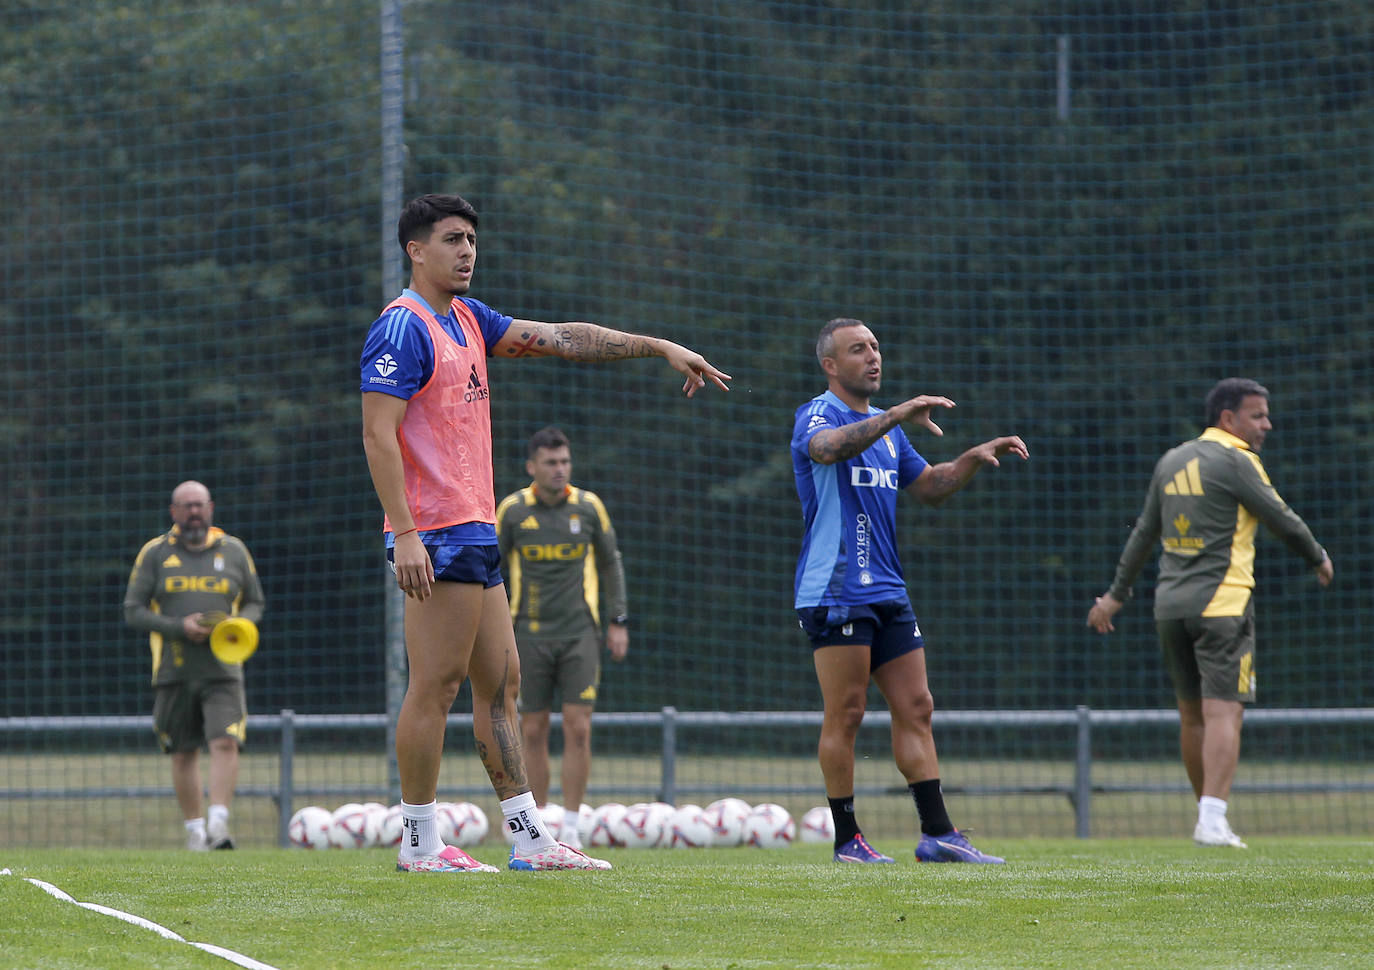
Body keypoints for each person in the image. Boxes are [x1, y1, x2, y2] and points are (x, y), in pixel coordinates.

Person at [360, 193, 730, 873]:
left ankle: (530, 840)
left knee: (502, 685)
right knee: (435, 687)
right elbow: (377, 435)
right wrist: (405, 533)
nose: (467, 249)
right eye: (451, 238)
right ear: (416, 251)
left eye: (471, 237)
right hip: (435, 532)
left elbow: (560, 337)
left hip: (473, 527)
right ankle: (418, 842)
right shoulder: (403, 327)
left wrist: (658, 347)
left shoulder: (469, 318)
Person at [791, 318, 1028, 865]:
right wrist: (897, 413)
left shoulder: (888, 430)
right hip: (835, 588)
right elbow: (825, 451)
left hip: (888, 588)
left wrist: (968, 461)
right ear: (831, 365)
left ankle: (938, 835)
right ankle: (848, 840)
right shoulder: (818, 414)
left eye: (876, 346)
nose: (873, 356)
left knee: (917, 706)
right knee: (847, 712)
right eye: (858, 349)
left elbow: (931, 487)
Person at [1087, 378, 1332, 849]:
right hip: (1223, 606)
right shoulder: (1238, 461)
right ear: (1228, 419)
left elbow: (1143, 535)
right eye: (1258, 415)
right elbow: (1281, 516)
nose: (1267, 424)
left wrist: (1115, 595)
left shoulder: (1172, 459)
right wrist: (1318, 556)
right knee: (1225, 712)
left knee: (1191, 716)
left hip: (1170, 609)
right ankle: (1213, 819)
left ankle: (1208, 816)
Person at [496, 426, 629, 847]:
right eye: (551, 462)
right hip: (528, 636)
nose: (560, 469)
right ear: (531, 466)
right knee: (531, 730)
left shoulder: (588, 507)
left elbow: (611, 563)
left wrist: (618, 620)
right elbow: (490, 572)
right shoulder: (513, 511)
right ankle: (540, 824)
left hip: (579, 635)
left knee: (579, 728)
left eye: (565, 461)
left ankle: (572, 822)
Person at [123, 480, 265, 851]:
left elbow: (255, 602)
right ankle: (195, 832)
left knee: (225, 741)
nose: (193, 512)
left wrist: (237, 625)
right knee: (183, 750)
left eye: (199, 505)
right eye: (186, 506)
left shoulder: (234, 550)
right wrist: (178, 627)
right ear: (174, 512)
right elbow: (132, 610)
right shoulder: (154, 553)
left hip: (224, 668)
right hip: (173, 668)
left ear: (211, 507)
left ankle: (219, 824)